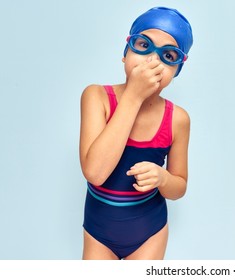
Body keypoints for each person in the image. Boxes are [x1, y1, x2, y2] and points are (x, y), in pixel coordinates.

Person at [79, 7, 193, 260]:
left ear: (176, 71)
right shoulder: (97, 97)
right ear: (125, 53)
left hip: (149, 234)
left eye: (168, 55)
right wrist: (133, 95)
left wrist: (163, 179)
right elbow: (95, 173)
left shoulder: (178, 119)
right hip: (99, 234)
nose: (152, 61)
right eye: (143, 45)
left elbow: (179, 186)